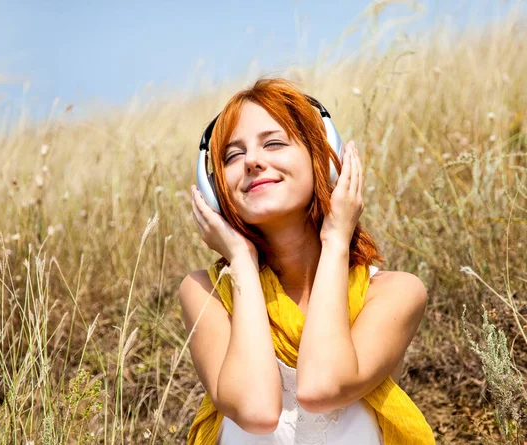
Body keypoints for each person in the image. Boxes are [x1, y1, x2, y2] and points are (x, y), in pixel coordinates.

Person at [178, 77, 434, 444]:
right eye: (233, 155)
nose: (252, 161)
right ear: (214, 189)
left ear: (322, 157)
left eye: (274, 143)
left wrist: (335, 241)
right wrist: (241, 263)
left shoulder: (395, 292)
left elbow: (322, 387)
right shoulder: (205, 293)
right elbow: (257, 412)